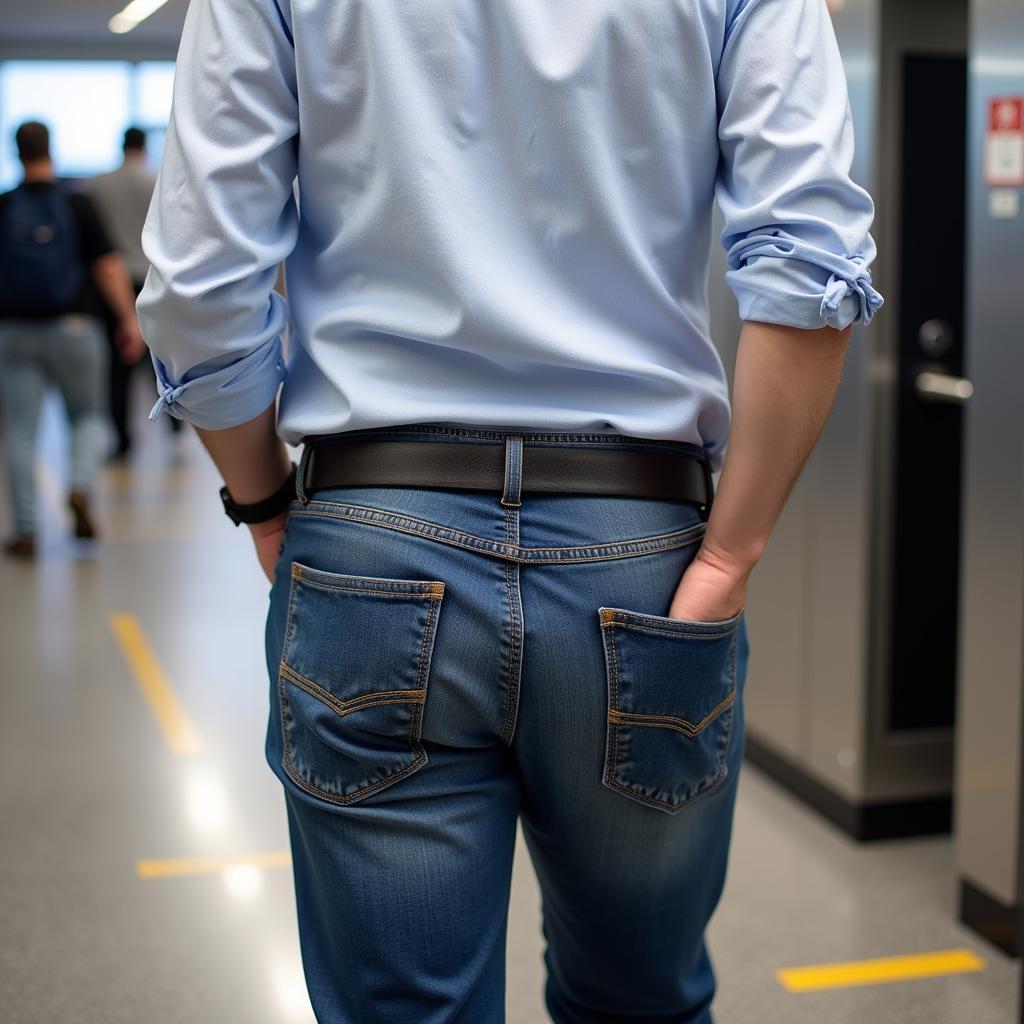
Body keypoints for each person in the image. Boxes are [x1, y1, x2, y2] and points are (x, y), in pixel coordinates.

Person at [137, 0, 883, 1020]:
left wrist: (263, 497)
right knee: (639, 999)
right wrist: (731, 551)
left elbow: (197, 285)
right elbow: (809, 261)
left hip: (374, 539)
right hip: (642, 553)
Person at [0, 121, 145, 558]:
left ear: (16, 153)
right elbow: (106, 266)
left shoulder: (5, 205)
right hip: (76, 329)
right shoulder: (77, 202)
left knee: (22, 431)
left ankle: (26, 531)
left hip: (15, 332)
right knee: (88, 416)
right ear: (51, 149)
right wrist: (128, 319)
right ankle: (80, 486)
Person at [87, 126, 180, 459]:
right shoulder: (156, 180)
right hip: (151, 277)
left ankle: (123, 438)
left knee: (118, 364)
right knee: (161, 358)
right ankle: (175, 425)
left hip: (112, 281)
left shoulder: (97, 185)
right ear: (143, 147)